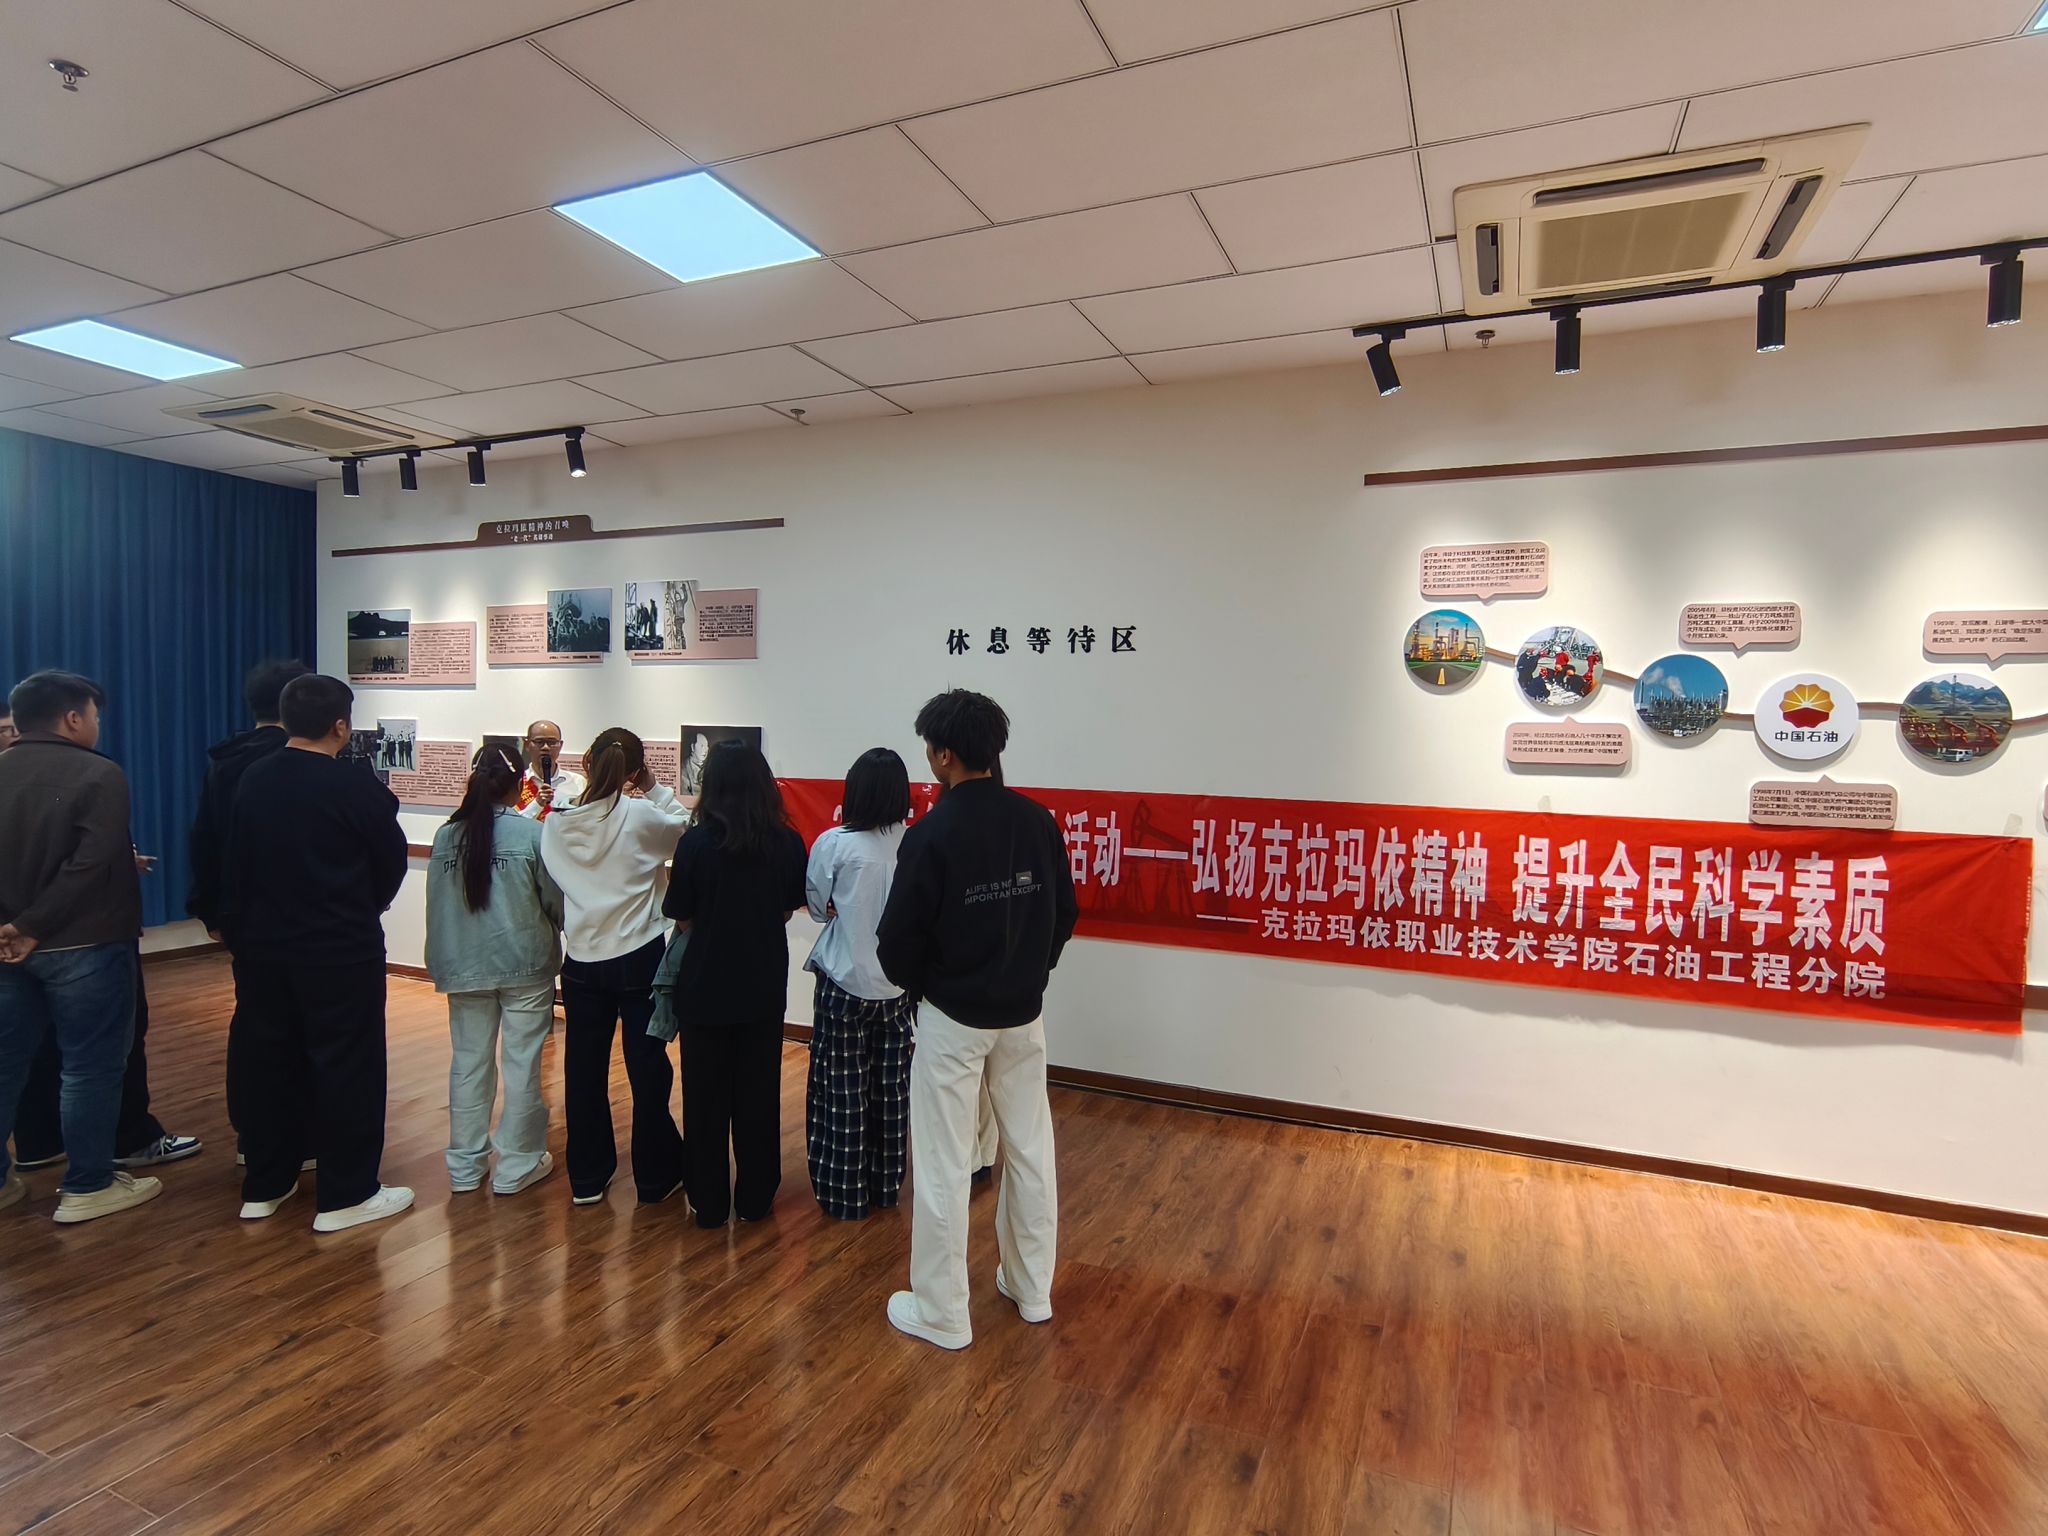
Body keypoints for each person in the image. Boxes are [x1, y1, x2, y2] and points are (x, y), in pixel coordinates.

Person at [877, 690, 1078, 1350]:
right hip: (1023, 1015)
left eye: (928, 749)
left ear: (944, 755)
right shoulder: (1037, 821)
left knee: (943, 1159)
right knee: (1029, 1149)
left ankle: (942, 1311)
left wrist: (927, 986)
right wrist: (1030, 971)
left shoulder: (931, 834)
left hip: (952, 1017)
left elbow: (897, 942)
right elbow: (1065, 914)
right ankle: (1031, 1288)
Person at [223, 673, 412, 1231]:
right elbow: (391, 862)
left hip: (262, 949)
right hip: (339, 949)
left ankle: (266, 1184)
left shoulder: (253, 777)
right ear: (341, 726)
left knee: (268, 1061)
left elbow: (234, 862)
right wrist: (363, 906)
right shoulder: (354, 786)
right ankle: (346, 1193)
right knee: (348, 1064)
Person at [0, 671, 162, 1223]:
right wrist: (35, 925)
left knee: (7, 1064)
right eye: (94, 714)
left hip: (7, 948)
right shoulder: (99, 772)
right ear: (73, 718)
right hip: (85, 944)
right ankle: (88, 1185)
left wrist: (14, 928)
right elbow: (90, 865)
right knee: (90, 1067)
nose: (96, 723)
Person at [541, 728, 688, 1207]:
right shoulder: (641, 816)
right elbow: (686, 829)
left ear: (586, 761)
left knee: (583, 1069)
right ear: (635, 770)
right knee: (647, 1068)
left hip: (581, 958)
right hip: (638, 954)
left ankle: (587, 1177)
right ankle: (655, 1177)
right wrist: (653, 787)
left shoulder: (558, 822)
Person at [663, 741, 806, 1227]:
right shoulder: (787, 843)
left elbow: (682, 916)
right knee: (758, 1097)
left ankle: (707, 1202)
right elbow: (786, 909)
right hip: (762, 985)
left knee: (704, 1099)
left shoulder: (695, 844)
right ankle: (755, 1200)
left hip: (704, 987)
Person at [187, 658, 310, 1169]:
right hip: (300, 919)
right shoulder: (294, 763)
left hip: (243, 918)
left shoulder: (223, 761)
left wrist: (211, 911)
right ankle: (299, 1138)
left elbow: (204, 839)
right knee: (304, 1027)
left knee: (255, 1023)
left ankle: (254, 1137)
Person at [427, 745, 565, 1196]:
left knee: (468, 1064)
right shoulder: (531, 835)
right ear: (519, 783)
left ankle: (465, 1166)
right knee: (523, 1064)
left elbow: (437, 906)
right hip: (524, 964)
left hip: (463, 965)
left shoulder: (446, 836)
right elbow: (554, 902)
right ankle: (517, 1165)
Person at [802, 749, 915, 1221]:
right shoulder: (914, 842)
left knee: (841, 1094)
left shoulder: (834, 843)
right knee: (891, 1092)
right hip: (898, 987)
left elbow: (816, 906)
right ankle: (885, 1188)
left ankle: (845, 1197)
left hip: (844, 982)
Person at [513, 720, 584, 821]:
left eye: (552, 742)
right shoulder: (516, 783)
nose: (545, 747)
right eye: (539, 742)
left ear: (560, 745)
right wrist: (537, 804)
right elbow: (513, 823)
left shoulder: (578, 782)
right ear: (527, 744)